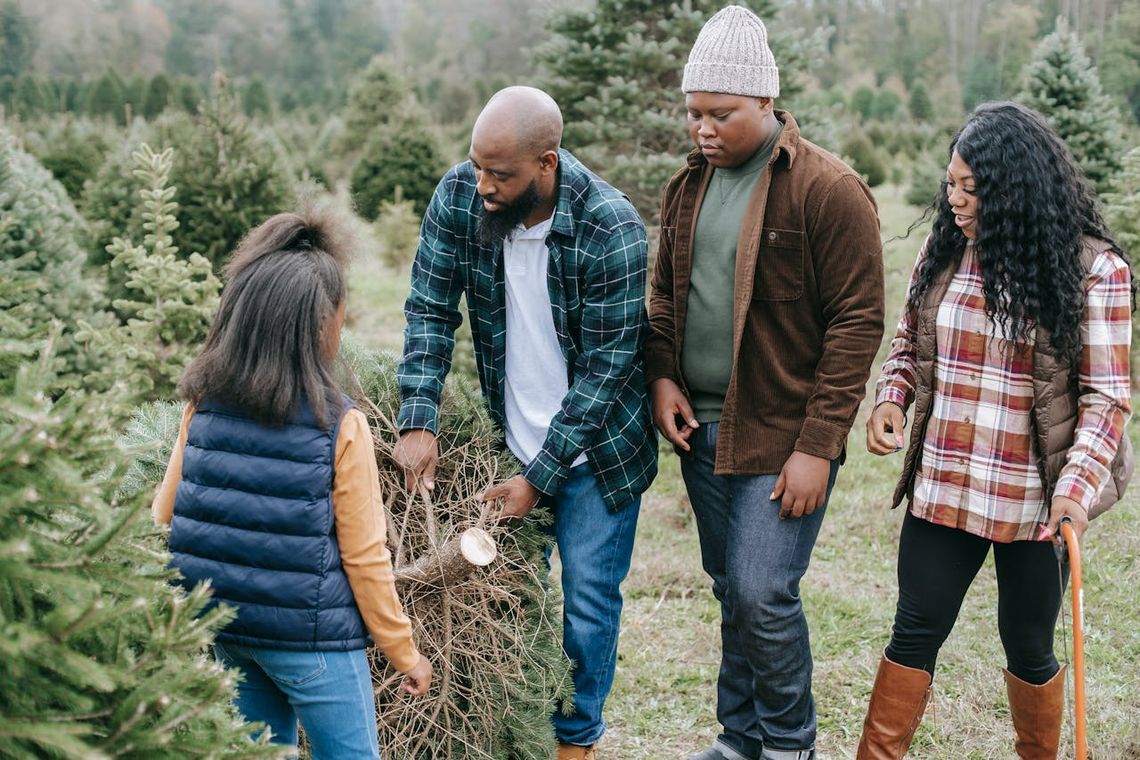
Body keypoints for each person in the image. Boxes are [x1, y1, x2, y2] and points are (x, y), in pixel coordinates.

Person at [857, 101, 1133, 759]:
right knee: (913, 633)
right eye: (950, 182)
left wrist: (1076, 490)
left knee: (1029, 646)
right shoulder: (946, 250)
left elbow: (1107, 400)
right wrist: (892, 397)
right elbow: (909, 342)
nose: (954, 199)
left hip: (1034, 501)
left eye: (971, 188)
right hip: (945, 485)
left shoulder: (1095, 270)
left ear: (1016, 190)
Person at [645, 7, 885, 760]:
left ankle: (788, 744)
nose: (703, 129)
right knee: (731, 589)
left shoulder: (827, 189)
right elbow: (663, 297)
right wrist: (662, 376)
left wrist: (818, 447)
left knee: (762, 592)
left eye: (721, 114)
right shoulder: (685, 189)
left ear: (766, 101)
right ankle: (739, 737)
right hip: (703, 428)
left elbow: (856, 324)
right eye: (694, 113)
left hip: (783, 437)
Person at [392, 86, 657, 760]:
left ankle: (574, 743)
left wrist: (541, 477)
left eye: (500, 174)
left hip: (598, 452)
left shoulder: (610, 227)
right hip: (508, 444)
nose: (483, 185)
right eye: (477, 165)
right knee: (512, 597)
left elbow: (607, 373)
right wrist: (418, 416)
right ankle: (515, 735)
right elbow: (429, 306)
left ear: (547, 163)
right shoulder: (461, 197)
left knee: (588, 603)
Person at [152, 209, 432, 759]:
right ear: (319, 324)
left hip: (224, 628)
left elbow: (165, 513)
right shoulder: (341, 424)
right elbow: (365, 558)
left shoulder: (202, 404)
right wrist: (405, 653)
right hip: (313, 642)